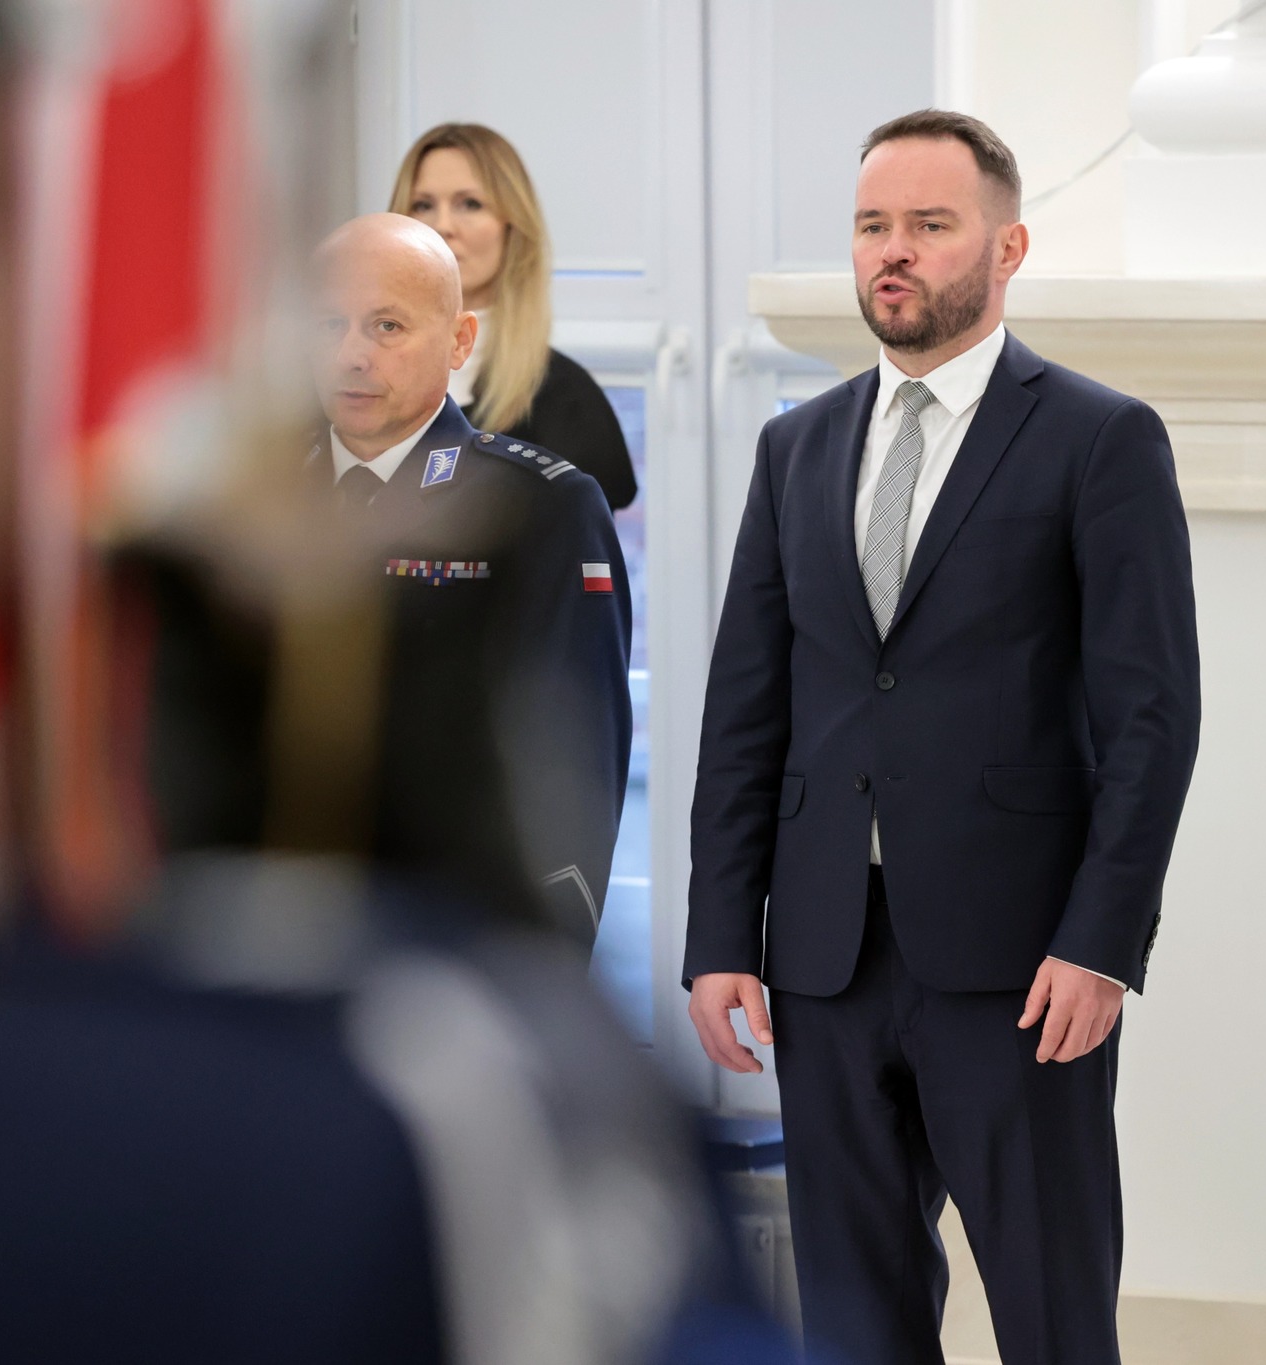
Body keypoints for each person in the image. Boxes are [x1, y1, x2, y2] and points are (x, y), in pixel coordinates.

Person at [683, 109, 1201, 1365]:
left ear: (1006, 247)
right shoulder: (795, 447)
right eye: (872, 226)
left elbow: (1151, 717)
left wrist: (1101, 942)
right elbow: (745, 707)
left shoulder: (1098, 438)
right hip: (824, 958)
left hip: (1021, 966)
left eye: (928, 224)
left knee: (1050, 1313)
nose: (893, 251)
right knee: (854, 1321)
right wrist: (720, 934)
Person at [310, 213, 632, 949]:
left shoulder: (539, 507)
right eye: (329, 324)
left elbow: (574, 771)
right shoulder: (265, 502)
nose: (351, 354)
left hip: (454, 946)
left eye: (386, 326)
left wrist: (543, 969)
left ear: (459, 342)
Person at [393, 123, 638, 510]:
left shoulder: (566, 398)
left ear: (512, 228)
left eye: (470, 204)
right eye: (423, 205)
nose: (442, 226)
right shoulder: (353, 381)